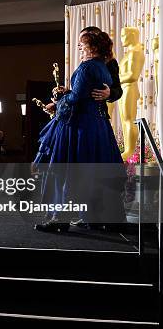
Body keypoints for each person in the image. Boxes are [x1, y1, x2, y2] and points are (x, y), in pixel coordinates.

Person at [34, 30, 125, 232]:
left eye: (82, 44)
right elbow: (81, 93)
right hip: (98, 125)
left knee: (69, 171)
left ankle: (60, 219)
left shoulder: (88, 67)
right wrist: (68, 93)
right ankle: (95, 217)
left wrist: (58, 102)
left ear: (92, 46)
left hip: (81, 126)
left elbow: (78, 98)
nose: (79, 48)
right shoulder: (101, 66)